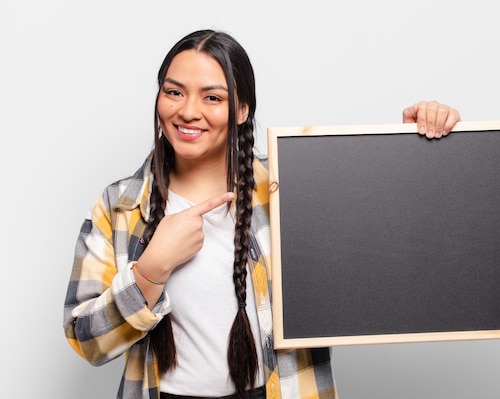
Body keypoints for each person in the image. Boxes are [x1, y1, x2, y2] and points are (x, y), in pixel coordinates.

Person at [63, 29, 461, 399]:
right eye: (174, 92)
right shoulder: (119, 206)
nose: (188, 111)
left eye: (212, 97)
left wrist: (414, 149)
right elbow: (86, 342)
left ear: (241, 110)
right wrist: (150, 272)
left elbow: (390, 251)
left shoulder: (293, 190)